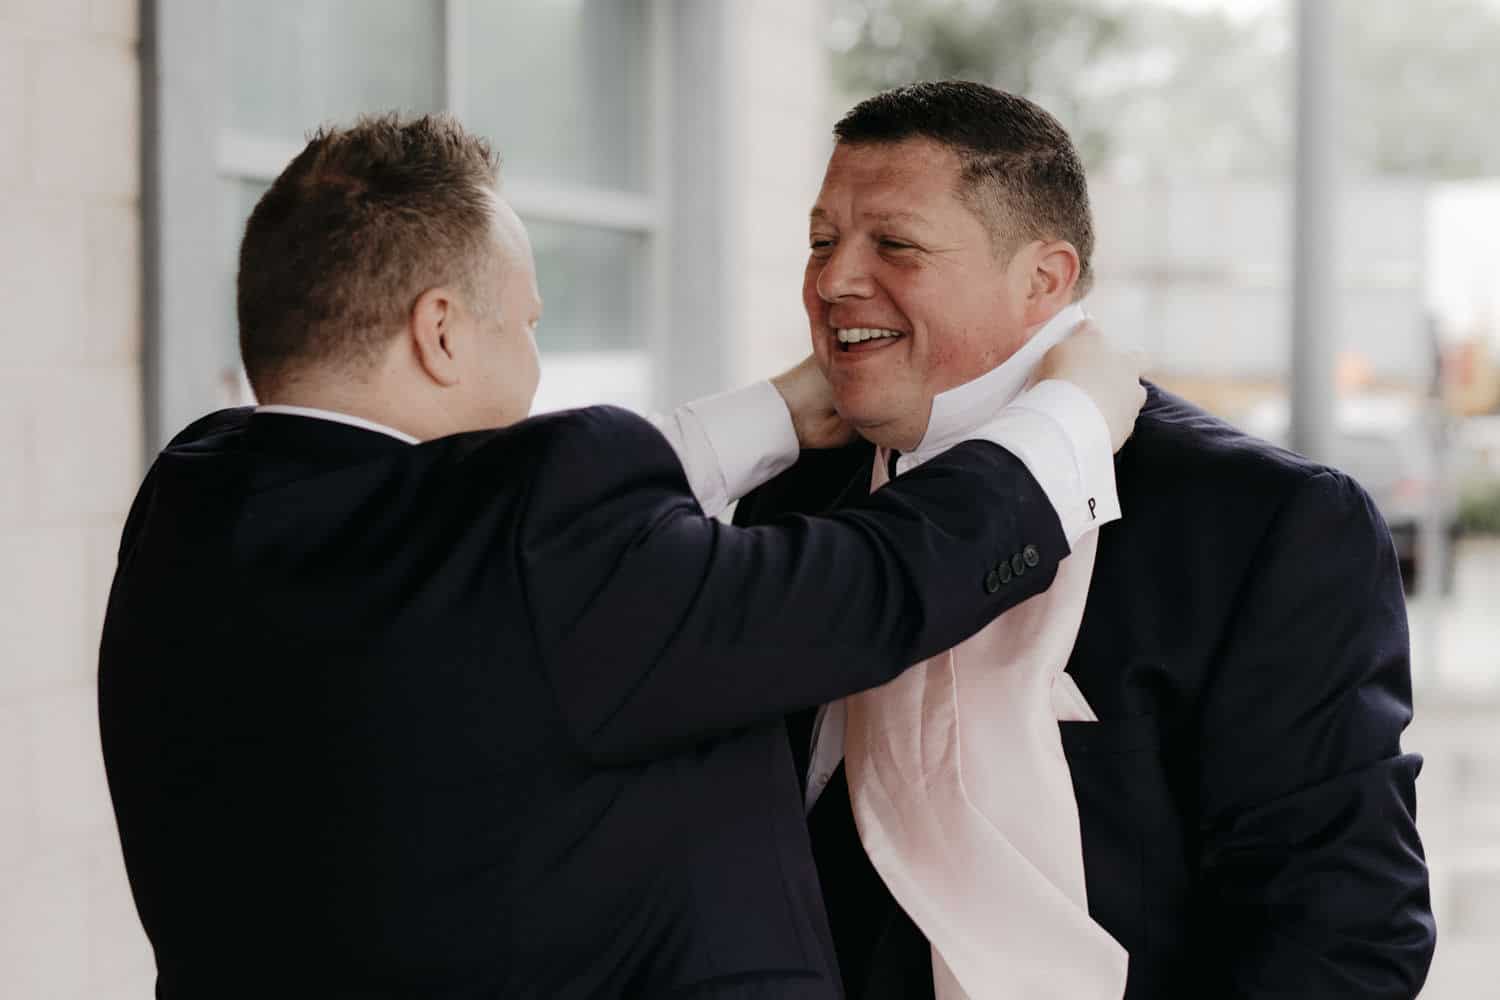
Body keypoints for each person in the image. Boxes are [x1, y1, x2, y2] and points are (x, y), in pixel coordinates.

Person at [97, 112, 1145, 999]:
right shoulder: (534, 549)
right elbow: (876, 585)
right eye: (527, 323)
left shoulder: (195, 496)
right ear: (442, 334)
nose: (534, 355)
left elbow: (493, 550)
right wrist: (1070, 417)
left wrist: (782, 411)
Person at [735, 81, 1436, 999]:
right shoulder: (779, 499)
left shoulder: (1266, 521)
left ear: (1044, 279)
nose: (832, 281)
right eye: (823, 242)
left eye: (893, 244)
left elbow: (1344, 929)